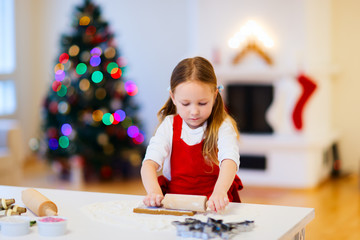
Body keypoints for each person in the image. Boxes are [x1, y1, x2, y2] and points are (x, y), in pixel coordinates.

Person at [141, 56, 243, 212]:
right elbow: (148, 164)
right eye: (186, 103)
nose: (194, 111)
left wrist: (220, 191)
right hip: (176, 204)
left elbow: (229, 161)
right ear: (173, 97)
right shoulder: (169, 126)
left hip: (212, 203)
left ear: (215, 96)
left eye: (202, 103)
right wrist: (154, 192)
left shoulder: (222, 126)